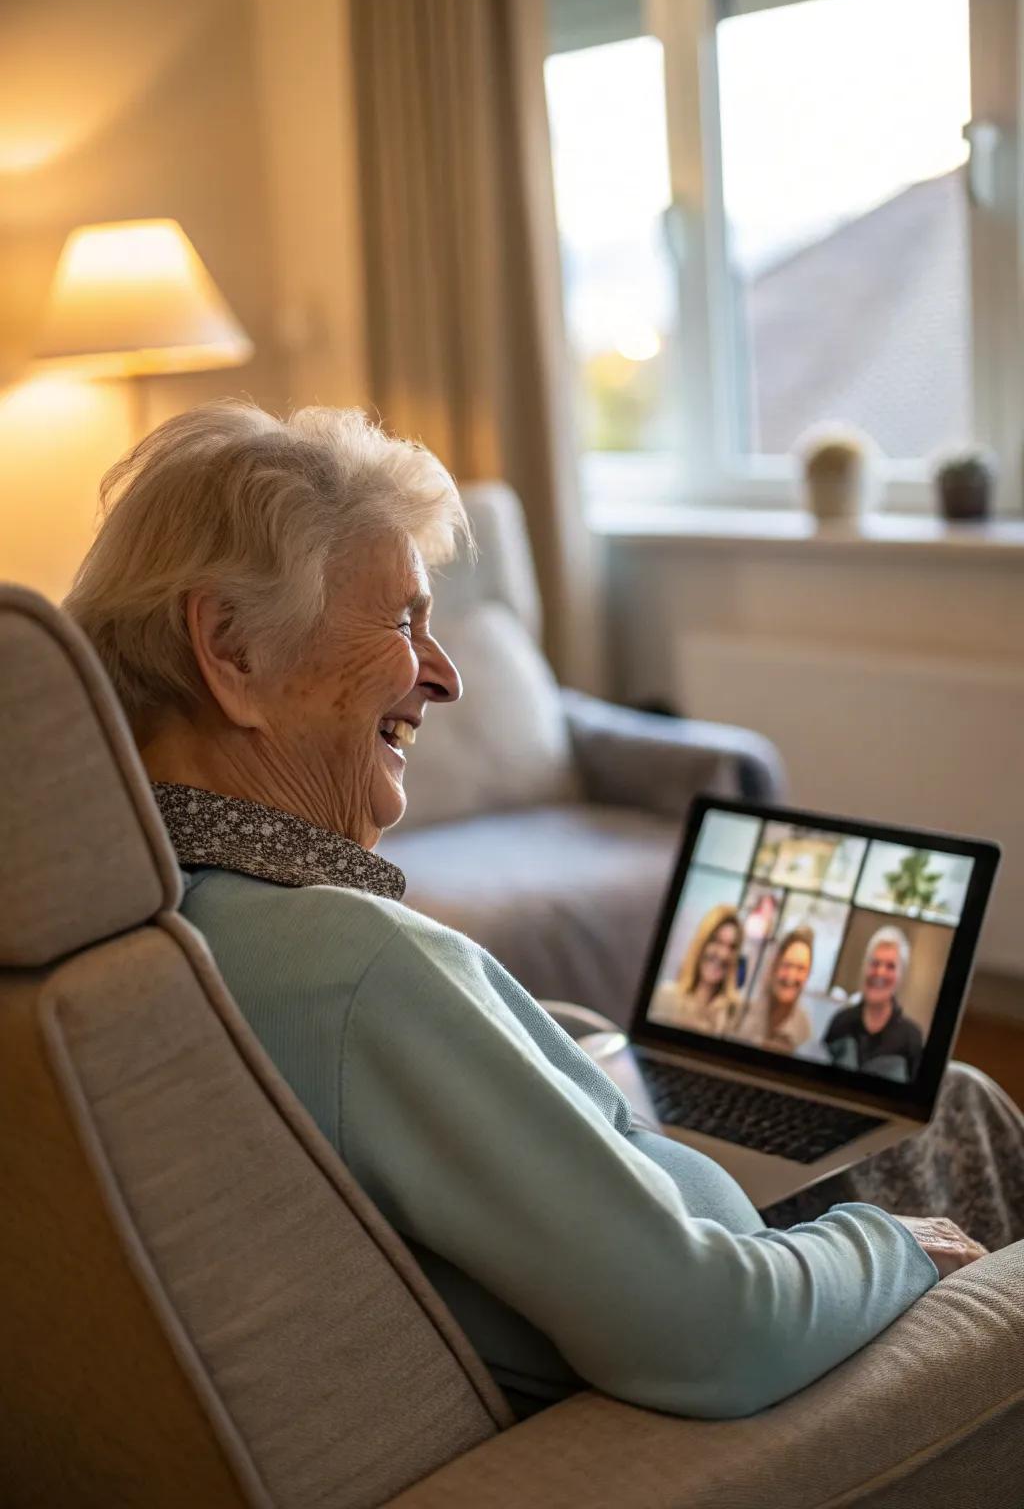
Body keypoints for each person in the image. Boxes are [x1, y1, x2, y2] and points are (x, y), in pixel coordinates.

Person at [64, 401, 1019, 1424]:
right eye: (403, 622)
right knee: (951, 1110)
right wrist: (896, 1244)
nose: (446, 676)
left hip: (651, 1256)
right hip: (748, 1347)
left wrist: (558, 1047)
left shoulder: (161, 921)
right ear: (232, 649)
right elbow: (710, 1331)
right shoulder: (348, 964)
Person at [824, 927, 925, 1083]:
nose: (880, 972)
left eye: (890, 966)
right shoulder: (840, 1022)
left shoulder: (911, 1038)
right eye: (874, 963)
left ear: (901, 975)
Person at [648, 905, 743, 1037]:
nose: (723, 954)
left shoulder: (735, 1015)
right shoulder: (664, 996)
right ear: (701, 944)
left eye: (731, 947)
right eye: (716, 941)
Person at [732, 926, 815, 1054]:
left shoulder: (805, 1031)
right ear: (774, 966)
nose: (791, 976)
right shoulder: (742, 1013)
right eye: (787, 965)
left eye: (801, 968)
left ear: (808, 975)